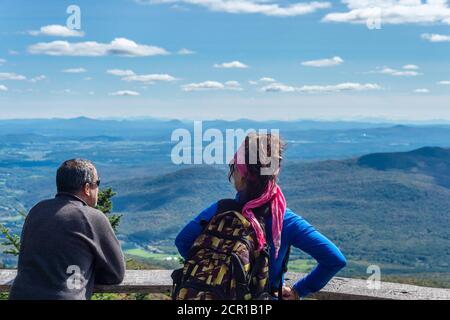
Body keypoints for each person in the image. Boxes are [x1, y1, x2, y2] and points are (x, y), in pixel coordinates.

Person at [175, 133, 346, 299]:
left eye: (234, 165)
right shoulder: (284, 220)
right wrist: (298, 290)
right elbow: (334, 259)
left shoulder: (220, 210)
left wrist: (217, 271)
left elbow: (183, 241)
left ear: (242, 175)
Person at [9, 159, 125, 300]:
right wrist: (84, 272)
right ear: (87, 188)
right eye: (97, 183)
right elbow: (116, 275)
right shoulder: (92, 217)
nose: (98, 189)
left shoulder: (37, 210)